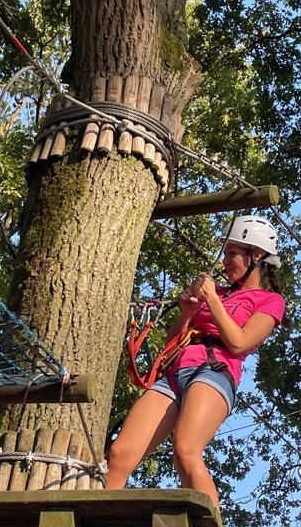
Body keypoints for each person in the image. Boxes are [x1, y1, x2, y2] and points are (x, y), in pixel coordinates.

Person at [106, 216, 286, 510]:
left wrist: (212, 301)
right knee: (119, 454)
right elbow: (171, 343)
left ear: (256, 256)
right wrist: (189, 312)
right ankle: (104, 519)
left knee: (186, 450)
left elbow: (240, 342)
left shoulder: (270, 301)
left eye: (232, 253)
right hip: (176, 372)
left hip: (213, 372)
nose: (226, 260)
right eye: (225, 253)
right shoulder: (218, 295)